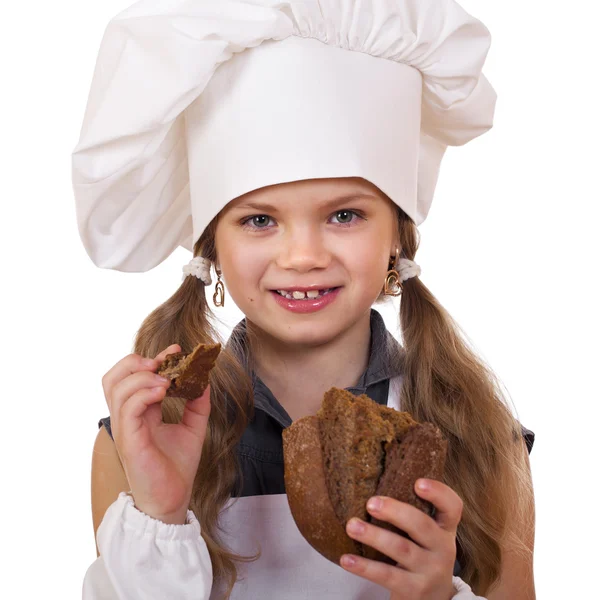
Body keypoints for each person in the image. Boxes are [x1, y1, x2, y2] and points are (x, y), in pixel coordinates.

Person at [72, 1, 536, 599]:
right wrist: (160, 514)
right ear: (211, 245)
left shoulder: (479, 435)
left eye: (345, 215)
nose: (303, 256)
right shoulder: (138, 443)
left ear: (398, 233)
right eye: (259, 219)